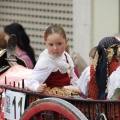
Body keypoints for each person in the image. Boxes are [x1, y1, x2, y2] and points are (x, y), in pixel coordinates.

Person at [27, 24, 79, 93]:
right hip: (51, 97)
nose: (55, 48)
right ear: (45, 43)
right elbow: (32, 80)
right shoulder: (45, 60)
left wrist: (79, 88)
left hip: (67, 93)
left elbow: (74, 78)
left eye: (59, 44)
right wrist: (37, 87)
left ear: (66, 42)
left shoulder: (66, 56)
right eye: (51, 44)